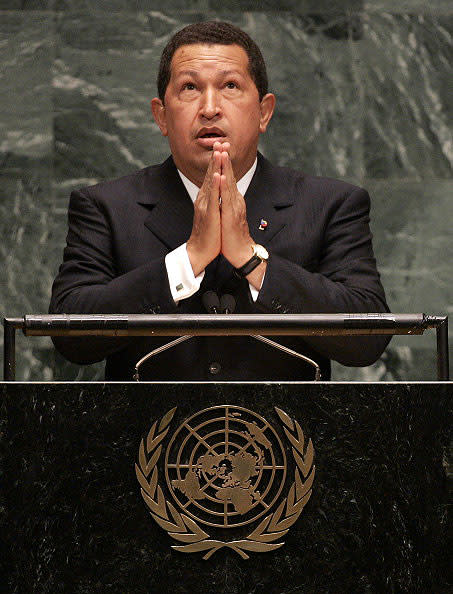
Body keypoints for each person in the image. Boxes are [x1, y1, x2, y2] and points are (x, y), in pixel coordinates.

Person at [49, 21, 390, 381]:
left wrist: (252, 260)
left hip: (286, 435)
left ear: (264, 112)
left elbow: (367, 338)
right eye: (190, 87)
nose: (210, 108)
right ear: (161, 116)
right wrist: (188, 259)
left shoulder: (331, 205)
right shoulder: (105, 206)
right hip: (145, 436)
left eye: (230, 86)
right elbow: (70, 335)